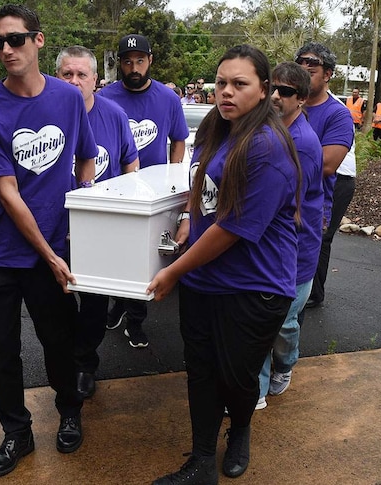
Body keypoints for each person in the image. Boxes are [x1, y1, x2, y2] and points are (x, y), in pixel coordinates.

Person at [146, 44, 301, 484]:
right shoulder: (217, 126)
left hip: (253, 286)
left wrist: (174, 271)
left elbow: (232, 228)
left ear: (265, 89)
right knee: (200, 370)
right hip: (205, 279)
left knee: (236, 376)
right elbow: (202, 188)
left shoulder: (267, 146)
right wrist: (184, 218)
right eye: (221, 83)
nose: (226, 92)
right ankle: (200, 462)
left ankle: (241, 430)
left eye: (239, 84)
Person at [0, 4, 97, 478]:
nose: (6, 49)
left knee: (59, 342)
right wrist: (49, 255)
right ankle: (17, 433)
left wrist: (82, 217)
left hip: (55, 250)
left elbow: (85, 160)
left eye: (15, 39)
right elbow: (8, 194)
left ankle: (69, 412)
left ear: (38, 41)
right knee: (6, 349)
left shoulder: (66, 98)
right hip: (0, 254)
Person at [55, 45, 140, 400]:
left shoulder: (114, 114)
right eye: (67, 75)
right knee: (57, 303)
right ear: (56, 77)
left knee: (93, 304)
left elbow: (130, 167)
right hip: (54, 228)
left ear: (95, 79)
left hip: (101, 229)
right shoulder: (46, 111)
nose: (75, 82)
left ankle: (84, 365)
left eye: (81, 75)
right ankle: (62, 363)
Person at [98, 33, 189, 349]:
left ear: (150, 61)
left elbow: (179, 140)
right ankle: (118, 305)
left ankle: (135, 320)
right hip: (115, 187)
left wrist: (173, 176)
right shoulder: (105, 98)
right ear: (119, 64)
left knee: (142, 258)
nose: (133, 67)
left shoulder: (168, 99)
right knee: (114, 253)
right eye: (127, 61)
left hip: (152, 191)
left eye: (139, 60)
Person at [257, 62, 323, 410]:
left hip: (297, 248)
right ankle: (256, 389)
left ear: (301, 99)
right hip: (270, 245)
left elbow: (287, 202)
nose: (276, 97)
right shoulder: (267, 129)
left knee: (284, 322)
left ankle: (285, 364)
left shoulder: (304, 143)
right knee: (265, 321)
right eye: (272, 89)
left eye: (285, 92)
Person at [296, 42, 356, 309]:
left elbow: (327, 165)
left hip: (338, 180)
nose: (305, 68)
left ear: (328, 74)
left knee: (321, 236)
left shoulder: (337, 113)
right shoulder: (287, 104)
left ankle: (313, 293)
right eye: (301, 64)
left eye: (313, 66)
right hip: (297, 182)